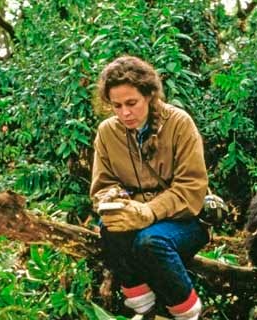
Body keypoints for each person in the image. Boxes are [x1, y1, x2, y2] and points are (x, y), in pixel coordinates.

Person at [90, 55, 209, 320]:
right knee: (109, 228)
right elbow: (102, 184)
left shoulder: (179, 123)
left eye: (131, 103)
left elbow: (192, 187)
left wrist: (148, 212)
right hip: (136, 214)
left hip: (185, 219)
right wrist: (112, 199)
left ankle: (189, 314)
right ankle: (145, 310)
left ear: (149, 95)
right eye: (116, 105)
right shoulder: (107, 132)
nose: (124, 113)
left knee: (150, 241)